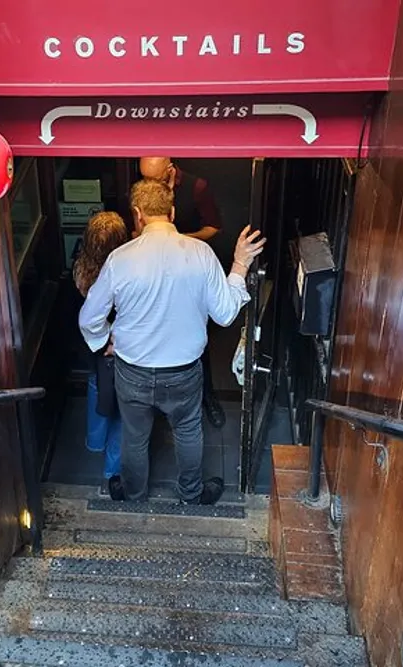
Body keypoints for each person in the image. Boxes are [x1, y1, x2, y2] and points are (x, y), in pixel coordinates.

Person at [79, 179, 265, 505]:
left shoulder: (120, 259)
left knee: (135, 437)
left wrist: (102, 340)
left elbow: (88, 317)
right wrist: (239, 265)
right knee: (188, 431)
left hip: (132, 371)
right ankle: (191, 495)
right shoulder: (201, 253)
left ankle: (134, 495)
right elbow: (224, 315)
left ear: (137, 214)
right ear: (173, 212)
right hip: (183, 372)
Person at [139, 157, 227, 428]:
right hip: (153, 268)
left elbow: (214, 227)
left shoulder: (196, 187)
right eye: (146, 180)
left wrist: (179, 239)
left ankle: (207, 396)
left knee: (197, 337)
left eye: (155, 180)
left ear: (169, 169)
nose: (149, 186)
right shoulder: (142, 189)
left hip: (188, 265)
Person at [72, 211, 128, 496]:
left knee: (96, 386)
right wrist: (109, 340)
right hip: (113, 347)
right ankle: (112, 469)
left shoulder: (81, 267)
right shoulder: (120, 273)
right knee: (121, 407)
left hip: (90, 346)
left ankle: (94, 441)